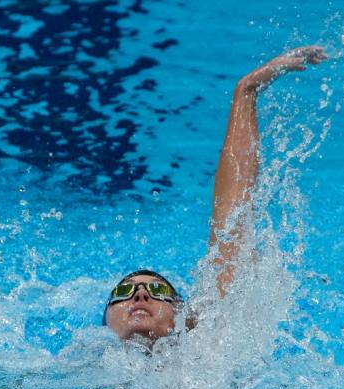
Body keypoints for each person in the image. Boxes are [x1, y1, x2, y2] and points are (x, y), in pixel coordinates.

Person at [103, 46, 327, 342]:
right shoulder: (70, 371)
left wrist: (246, 92)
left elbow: (232, 220)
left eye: (158, 291)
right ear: (105, 320)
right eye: (122, 292)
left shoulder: (206, 352)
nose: (140, 295)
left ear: (184, 314)